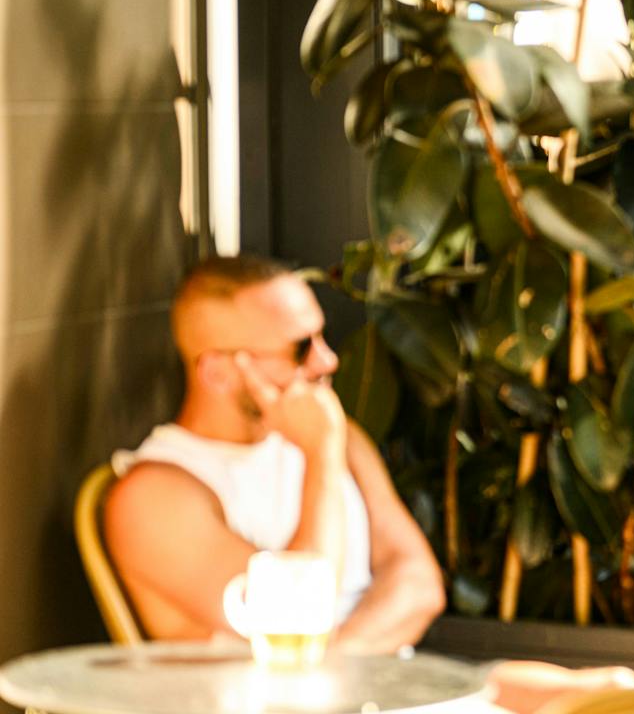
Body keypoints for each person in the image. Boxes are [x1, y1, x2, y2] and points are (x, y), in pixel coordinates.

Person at [104, 256, 446, 647]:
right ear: (218, 372)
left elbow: (421, 584)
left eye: (322, 337)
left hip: (377, 678)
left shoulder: (336, 434)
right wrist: (320, 456)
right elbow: (296, 621)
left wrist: (336, 659)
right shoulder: (153, 495)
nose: (328, 360)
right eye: (301, 349)